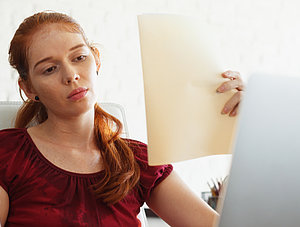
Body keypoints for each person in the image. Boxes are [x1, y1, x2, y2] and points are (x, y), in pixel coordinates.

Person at [0, 11, 244, 227]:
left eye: (79, 58)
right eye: (49, 69)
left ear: (96, 59)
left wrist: (254, 120)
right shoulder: (6, 154)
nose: (71, 75)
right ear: (29, 88)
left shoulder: (137, 161)